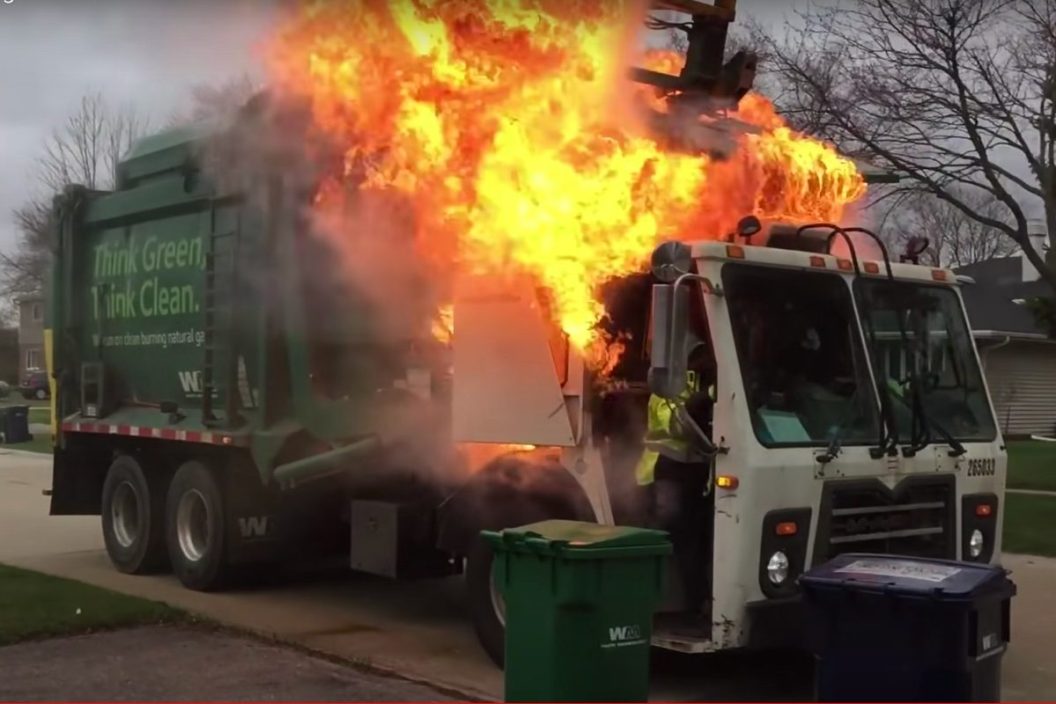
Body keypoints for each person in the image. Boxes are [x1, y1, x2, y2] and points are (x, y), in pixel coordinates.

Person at [635, 347, 716, 625]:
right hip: (664, 468)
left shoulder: (712, 377)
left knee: (694, 538)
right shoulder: (667, 381)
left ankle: (694, 603)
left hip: (695, 471)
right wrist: (699, 402)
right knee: (669, 529)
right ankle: (645, 604)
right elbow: (671, 423)